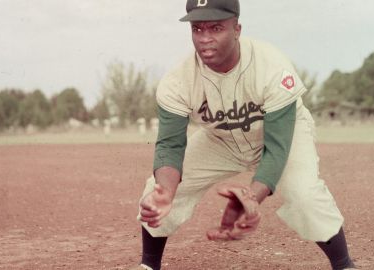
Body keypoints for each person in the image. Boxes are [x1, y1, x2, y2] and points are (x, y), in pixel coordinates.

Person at [132, 0, 356, 269]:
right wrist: (166, 191)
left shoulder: (271, 66)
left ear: (237, 29)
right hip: (220, 140)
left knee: (304, 193)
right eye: (197, 29)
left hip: (280, 134)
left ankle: (343, 264)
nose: (205, 39)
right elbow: (170, 145)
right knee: (156, 190)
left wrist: (251, 197)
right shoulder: (177, 81)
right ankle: (148, 264)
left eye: (216, 27)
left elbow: (276, 148)